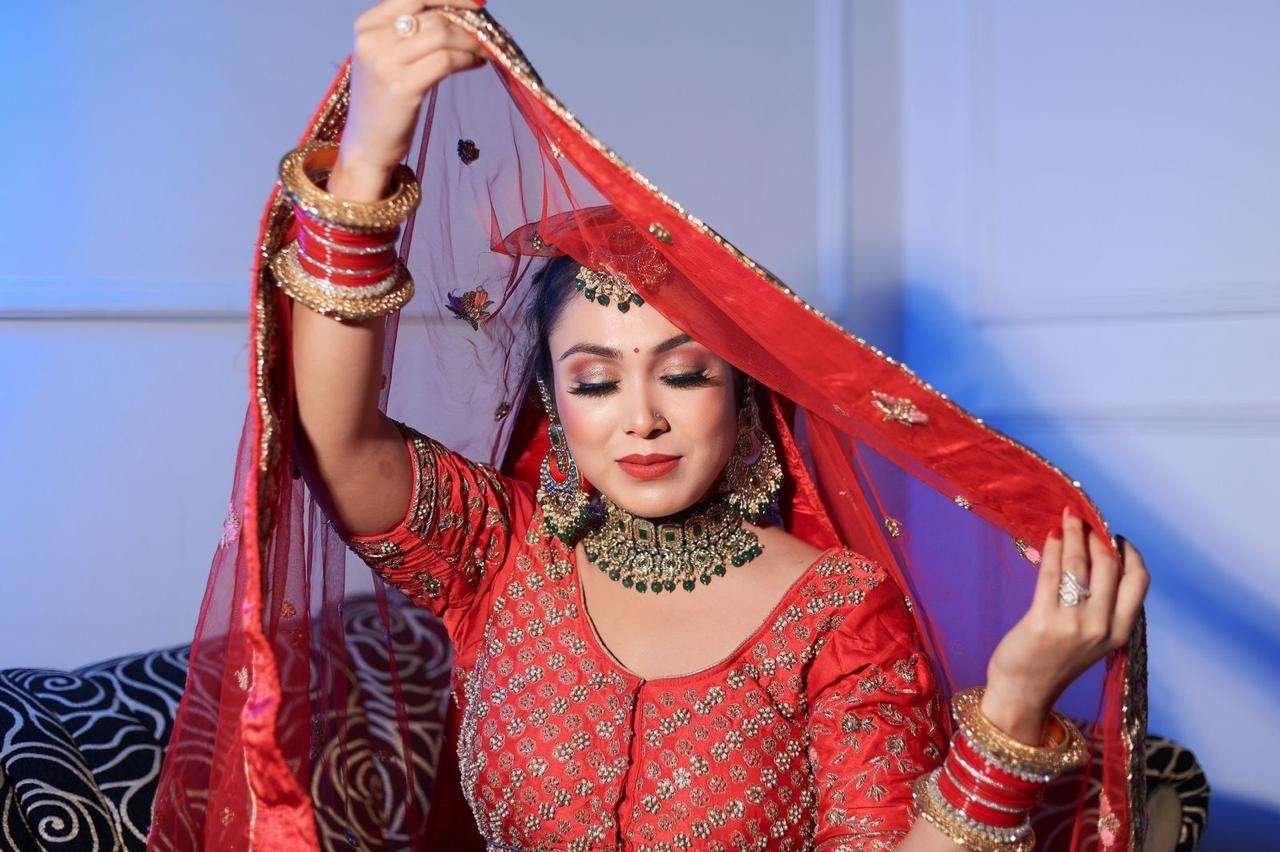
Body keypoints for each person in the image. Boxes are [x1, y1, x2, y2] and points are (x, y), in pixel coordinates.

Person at [148, 2, 1150, 850]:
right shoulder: (500, 557)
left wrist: (1014, 704)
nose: (640, 418)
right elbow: (335, 442)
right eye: (594, 382)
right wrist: (370, 152)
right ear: (553, 404)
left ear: (740, 390)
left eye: (682, 373)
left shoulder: (835, 615)